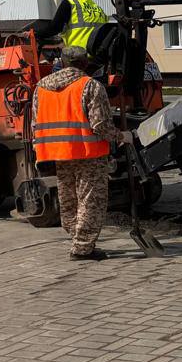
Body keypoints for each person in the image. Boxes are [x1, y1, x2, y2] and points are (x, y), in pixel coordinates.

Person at [32, 44, 126, 261]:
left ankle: (77, 237)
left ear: (62, 63)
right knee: (91, 199)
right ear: (85, 64)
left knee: (69, 198)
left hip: (58, 153)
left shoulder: (41, 88)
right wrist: (122, 136)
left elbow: (36, 122)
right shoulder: (90, 86)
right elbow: (100, 125)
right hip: (88, 153)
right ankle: (83, 248)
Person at [31, 0, 108, 51]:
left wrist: (36, 34)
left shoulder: (69, 3)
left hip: (78, 54)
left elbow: (55, 28)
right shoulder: (99, 9)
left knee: (54, 65)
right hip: (98, 55)